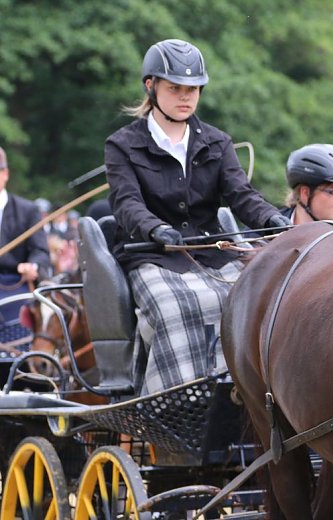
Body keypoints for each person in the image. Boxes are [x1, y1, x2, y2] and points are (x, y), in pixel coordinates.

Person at [104, 39, 289, 394]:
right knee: (176, 308)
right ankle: (179, 404)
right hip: (151, 254)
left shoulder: (218, 142)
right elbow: (126, 203)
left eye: (193, 89)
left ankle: (241, 396)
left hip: (211, 251)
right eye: (175, 88)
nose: (185, 97)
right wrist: (155, 228)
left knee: (253, 300)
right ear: (151, 86)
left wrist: (271, 219)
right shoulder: (122, 145)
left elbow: (241, 195)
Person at [0, 145, 51, 325]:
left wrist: (33, 266)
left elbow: (40, 251)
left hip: (17, 285)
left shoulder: (28, 210)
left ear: (5, 173)